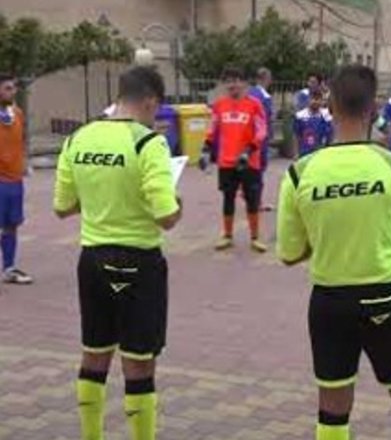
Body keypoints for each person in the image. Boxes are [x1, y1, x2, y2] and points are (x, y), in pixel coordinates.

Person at [276, 65, 391, 440]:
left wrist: (325, 237)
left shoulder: (299, 173)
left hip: (330, 300)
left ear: (330, 108)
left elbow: (289, 254)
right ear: (374, 108)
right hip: (386, 295)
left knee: (333, 404)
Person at [53, 66, 182, 440]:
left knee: (94, 354)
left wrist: (101, 198)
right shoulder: (148, 143)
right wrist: (177, 204)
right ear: (150, 101)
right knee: (139, 363)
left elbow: (62, 207)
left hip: (92, 260)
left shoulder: (77, 138)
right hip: (138, 262)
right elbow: (166, 217)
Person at [201, 67, 268, 253]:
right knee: (228, 198)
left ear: (244, 83)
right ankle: (227, 236)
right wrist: (205, 149)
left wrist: (249, 149)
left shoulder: (255, 105)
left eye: (237, 80)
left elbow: (261, 131)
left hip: (249, 162)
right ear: (224, 85)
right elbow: (212, 128)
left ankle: (255, 238)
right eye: (229, 81)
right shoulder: (219, 105)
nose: (233, 85)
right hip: (226, 162)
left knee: (252, 200)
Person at [0, 73, 33, 285]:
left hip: (15, 180)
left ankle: (9, 269)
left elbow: (21, 140)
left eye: (13, 88)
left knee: (11, 225)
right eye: (8, 88)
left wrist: (24, 163)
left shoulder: (18, 114)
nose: (13, 92)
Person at [249, 67, 275, 211]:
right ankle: (257, 201)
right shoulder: (264, 97)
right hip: (260, 137)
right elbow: (265, 119)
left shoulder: (249, 93)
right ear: (265, 78)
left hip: (248, 136)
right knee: (259, 169)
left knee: (252, 167)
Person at [293, 89, 334, 157]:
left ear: (322, 100)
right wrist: (296, 153)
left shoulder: (327, 116)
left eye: (318, 99)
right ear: (308, 99)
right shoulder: (300, 116)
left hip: (322, 153)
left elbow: (330, 136)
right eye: (313, 98)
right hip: (305, 153)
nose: (315, 102)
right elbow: (296, 136)